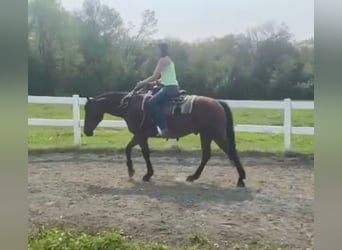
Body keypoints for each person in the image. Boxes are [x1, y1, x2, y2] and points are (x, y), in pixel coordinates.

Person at [135, 43, 179, 137]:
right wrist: (152, 84)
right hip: (172, 87)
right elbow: (164, 78)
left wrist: (142, 83)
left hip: (168, 88)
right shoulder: (168, 60)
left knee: (152, 102)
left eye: (157, 49)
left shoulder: (162, 60)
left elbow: (155, 76)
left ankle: (163, 128)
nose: (156, 51)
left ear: (161, 50)